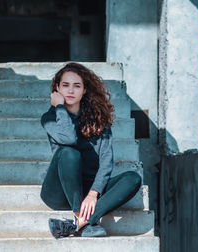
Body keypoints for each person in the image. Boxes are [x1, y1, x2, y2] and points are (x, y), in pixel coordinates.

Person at [40, 62, 142, 238]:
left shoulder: (99, 121)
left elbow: (106, 161)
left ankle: (78, 224)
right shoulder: (50, 118)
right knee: (68, 153)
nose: (70, 91)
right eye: (65, 85)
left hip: (90, 190)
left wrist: (94, 193)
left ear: (84, 90)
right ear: (57, 89)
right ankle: (80, 215)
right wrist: (60, 107)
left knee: (133, 178)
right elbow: (69, 139)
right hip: (60, 192)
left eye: (77, 86)